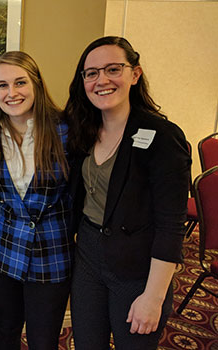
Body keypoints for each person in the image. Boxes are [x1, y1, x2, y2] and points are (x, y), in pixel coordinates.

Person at [64, 36, 190, 349]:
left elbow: (171, 226)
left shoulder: (163, 136)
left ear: (134, 74)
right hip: (89, 257)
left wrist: (153, 297)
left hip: (137, 265)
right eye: (91, 73)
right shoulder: (84, 129)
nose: (101, 80)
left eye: (112, 69)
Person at [0, 51, 72, 350]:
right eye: (2, 85)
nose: (11, 93)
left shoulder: (66, 129)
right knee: (6, 329)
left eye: (20, 82)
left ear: (36, 84)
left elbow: (82, 192)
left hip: (52, 249)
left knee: (43, 338)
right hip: (1, 246)